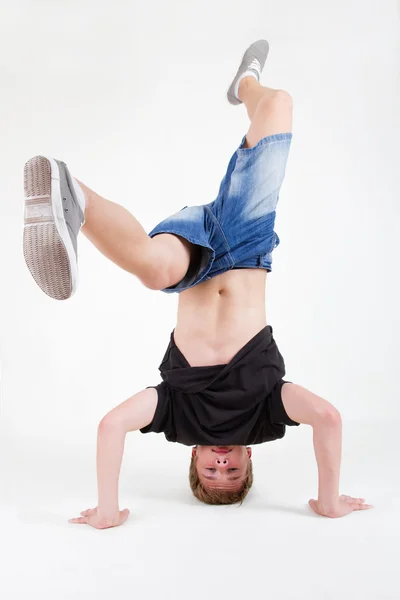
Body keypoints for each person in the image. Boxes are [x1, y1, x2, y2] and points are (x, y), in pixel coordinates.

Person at [22, 41, 372, 529]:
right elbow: (329, 419)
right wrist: (328, 500)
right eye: (232, 471)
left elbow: (113, 425)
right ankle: (245, 83)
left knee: (155, 271)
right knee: (278, 104)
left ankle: (71, 192)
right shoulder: (269, 413)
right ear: (251, 457)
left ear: (194, 458)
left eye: (212, 470)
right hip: (247, 243)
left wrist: (108, 509)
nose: (222, 462)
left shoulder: (178, 419)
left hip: (194, 259)